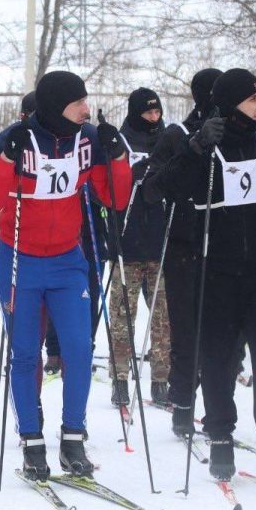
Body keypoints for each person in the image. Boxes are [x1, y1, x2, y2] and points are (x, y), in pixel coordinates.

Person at [0, 70, 131, 479]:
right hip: (19, 260)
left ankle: (74, 436)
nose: (86, 107)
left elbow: (115, 198)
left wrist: (116, 158)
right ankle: (32, 440)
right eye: (78, 101)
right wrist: (9, 159)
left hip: (67, 261)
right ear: (55, 105)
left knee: (79, 348)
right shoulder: (17, 136)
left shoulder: (89, 137)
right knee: (26, 352)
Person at [158, 68, 256, 485]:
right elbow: (168, 188)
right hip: (218, 269)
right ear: (232, 103)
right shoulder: (211, 143)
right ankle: (220, 435)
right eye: (253, 98)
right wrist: (196, 147)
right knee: (218, 357)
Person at [143, 67, 221, 435]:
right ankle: (183, 406)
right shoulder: (178, 133)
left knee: (222, 335)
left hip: (225, 245)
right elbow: (152, 188)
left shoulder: (236, 135)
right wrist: (191, 151)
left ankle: (219, 407)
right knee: (187, 334)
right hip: (184, 245)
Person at [107, 88, 171, 407]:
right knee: (122, 317)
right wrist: (131, 178)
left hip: (160, 243)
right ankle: (120, 379)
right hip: (127, 242)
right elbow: (105, 190)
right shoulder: (121, 141)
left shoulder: (167, 139)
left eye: (157, 112)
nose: (153, 118)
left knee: (162, 317)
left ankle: (161, 380)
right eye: (147, 113)